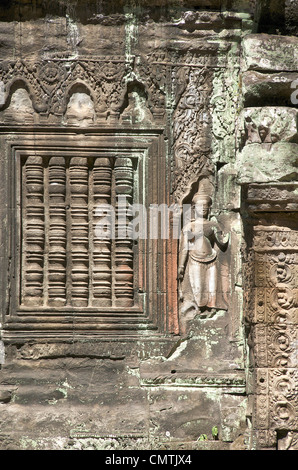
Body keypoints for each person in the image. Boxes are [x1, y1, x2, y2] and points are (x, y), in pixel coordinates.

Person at [178, 192, 229, 321]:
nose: (203, 208)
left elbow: (221, 242)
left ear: (209, 208)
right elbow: (184, 247)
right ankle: (199, 309)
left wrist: (223, 233)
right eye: (200, 206)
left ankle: (212, 308)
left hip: (211, 258)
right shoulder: (190, 227)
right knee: (198, 286)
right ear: (194, 208)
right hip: (195, 259)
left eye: (206, 206)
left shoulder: (213, 225)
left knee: (212, 286)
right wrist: (181, 265)